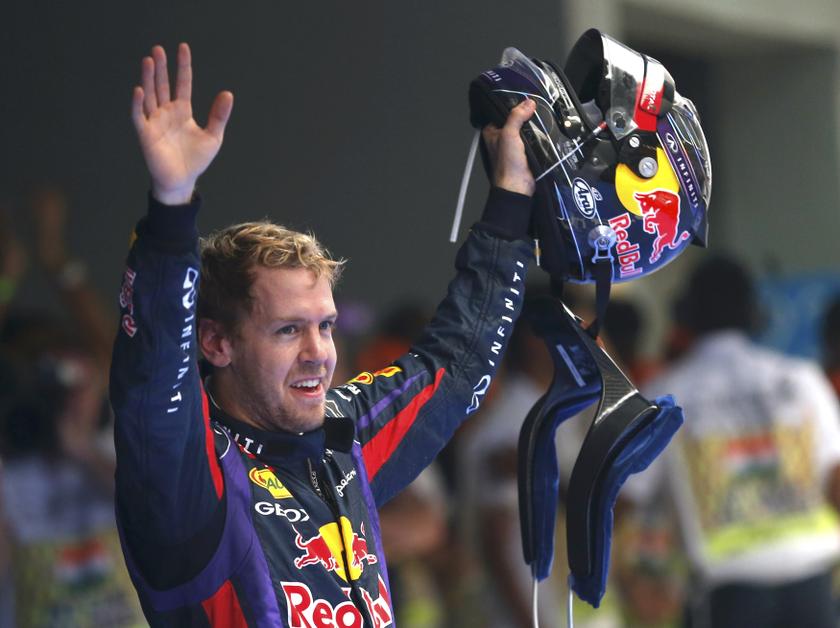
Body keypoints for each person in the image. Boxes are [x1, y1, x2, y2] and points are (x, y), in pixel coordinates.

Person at [110, 43, 537, 626]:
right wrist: (171, 210)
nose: (318, 354)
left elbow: (456, 363)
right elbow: (152, 374)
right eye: (288, 330)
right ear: (215, 344)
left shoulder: (342, 434)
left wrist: (512, 198)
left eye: (326, 326)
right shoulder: (190, 474)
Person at [621, 256, 840, 628]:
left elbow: (627, 495)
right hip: (811, 587)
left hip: (727, 594)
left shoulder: (665, 393)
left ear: (685, 315)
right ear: (755, 311)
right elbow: (835, 482)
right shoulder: (800, 380)